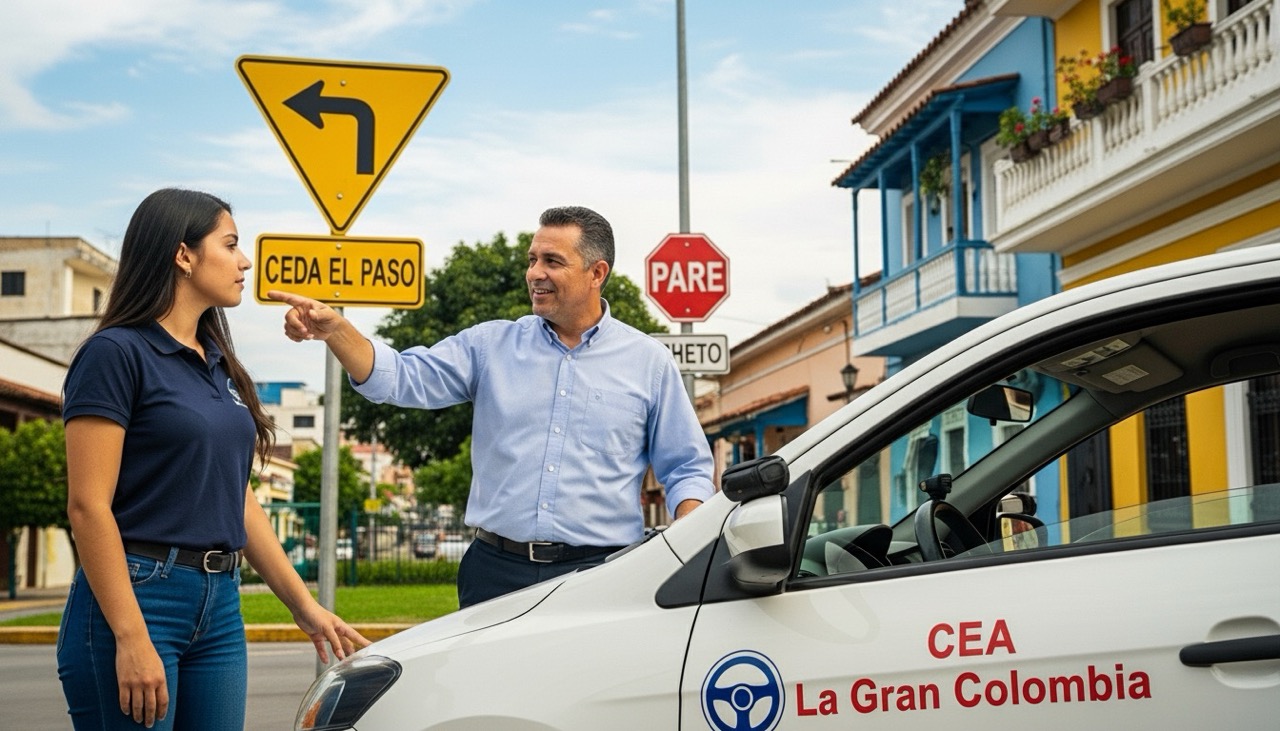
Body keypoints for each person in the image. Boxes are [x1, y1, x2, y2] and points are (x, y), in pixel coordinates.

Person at [269, 205, 716, 607]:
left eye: (552, 261)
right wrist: (337, 331)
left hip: (603, 574)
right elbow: (400, 378)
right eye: (532, 259)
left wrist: (686, 547)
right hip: (495, 574)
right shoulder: (489, 345)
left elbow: (686, 468)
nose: (534, 273)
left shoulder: (647, 361)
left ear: (597, 273)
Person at [58, 188, 370, 730]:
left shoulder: (218, 361)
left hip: (220, 603)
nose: (245, 260)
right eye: (230, 244)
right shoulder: (114, 354)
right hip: (138, 596)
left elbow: (236, 496)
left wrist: (304, 606)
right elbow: (88, 506)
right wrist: (132, 636)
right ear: (184, 255)